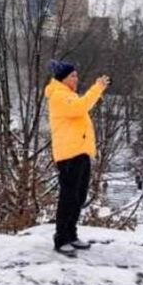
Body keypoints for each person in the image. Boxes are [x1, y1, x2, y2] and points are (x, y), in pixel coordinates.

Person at [45, 59, 109, 257]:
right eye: (73, 75)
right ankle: (61, 238)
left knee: (78, 197)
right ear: (63, 78)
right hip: (69, 154)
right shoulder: (58, 96)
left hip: (80, 152)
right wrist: (97, 88)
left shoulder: (68, 95)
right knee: (68, 197)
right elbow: (80, 107)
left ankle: (71, 234)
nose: (76, 78)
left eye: (76, 75)